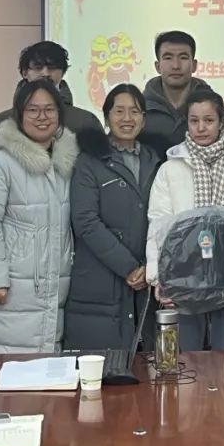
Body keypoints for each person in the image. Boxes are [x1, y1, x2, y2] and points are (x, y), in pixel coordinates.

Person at [0, 78, 79, 370]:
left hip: (53, 284)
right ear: (19, 115)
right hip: (11, 287)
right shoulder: (1, 163)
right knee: (0, 371)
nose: (42, 117)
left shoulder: (66, 164)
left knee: (44, 373)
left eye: (49, 109)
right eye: (33, 110)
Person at [146, 89, 224, 351]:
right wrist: (158, 277)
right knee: (187, 363)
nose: (201, 128)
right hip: (184, 280)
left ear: (222, 122)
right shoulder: (170, 168)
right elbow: (158, 225)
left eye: (209, 120)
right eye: (194, 121)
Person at [65, 84, 162, 350]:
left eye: (134, 111)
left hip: (147, 280)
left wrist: (151, 266)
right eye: (119, 111)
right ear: (107, 117)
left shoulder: (156, 161)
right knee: (102, 366)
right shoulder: (89, 161)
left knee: (146, 365)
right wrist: (128, 267)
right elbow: (85, 221)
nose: (127, 118)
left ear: (144, 119)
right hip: (100, 281)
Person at [0, 40, 102, 155]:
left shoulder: (85, 121)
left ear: (63, 72)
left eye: (52, 67)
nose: (45, 73)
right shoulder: (0, 123)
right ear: (24, 73)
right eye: (38, 67)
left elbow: (99, 165)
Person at [140, 30, 224, 157]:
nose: (176, 66)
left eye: (183, 57)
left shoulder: (214, 109)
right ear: (157, 66)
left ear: (194, 65)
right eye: (168, 58)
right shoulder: (139, 111)